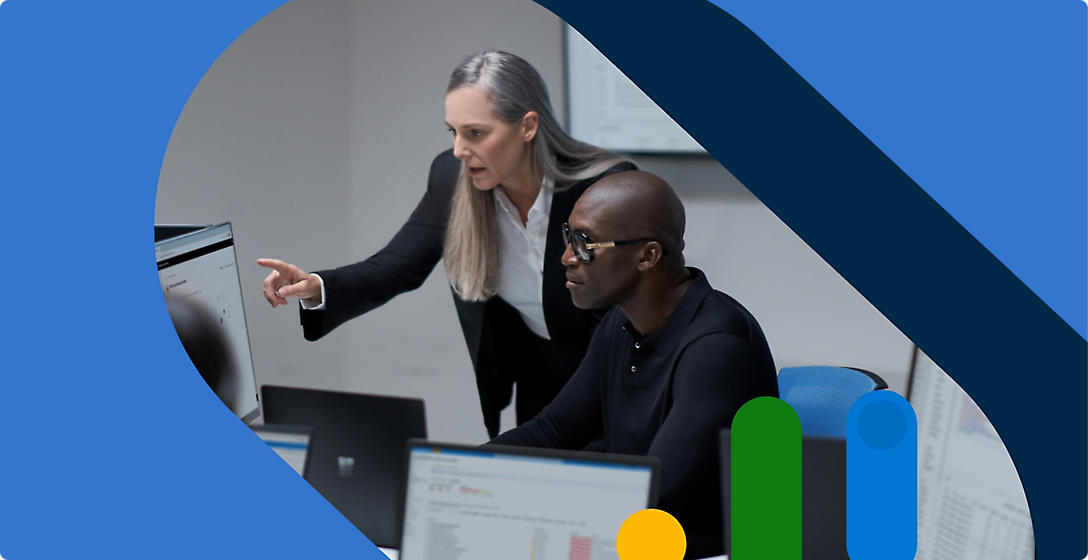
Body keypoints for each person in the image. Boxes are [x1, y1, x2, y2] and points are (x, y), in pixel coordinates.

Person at [258, 51, 635, 438]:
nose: (459, 150)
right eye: (452, 132)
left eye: (475, 133)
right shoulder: (453, 179)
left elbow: (633, 317)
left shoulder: (608, 191)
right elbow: (395, 267)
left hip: (622, 372)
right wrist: (316, 286)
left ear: (527, 126)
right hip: (538, 368)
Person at [489, 171, 779, 559]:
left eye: (586, 243)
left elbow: (652, 492)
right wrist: (458, 478)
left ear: (647, 256)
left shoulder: (718, 345)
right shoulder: (620, 323)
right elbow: (552, 432)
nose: (567, 258)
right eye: (568, 237)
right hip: (631, 540)